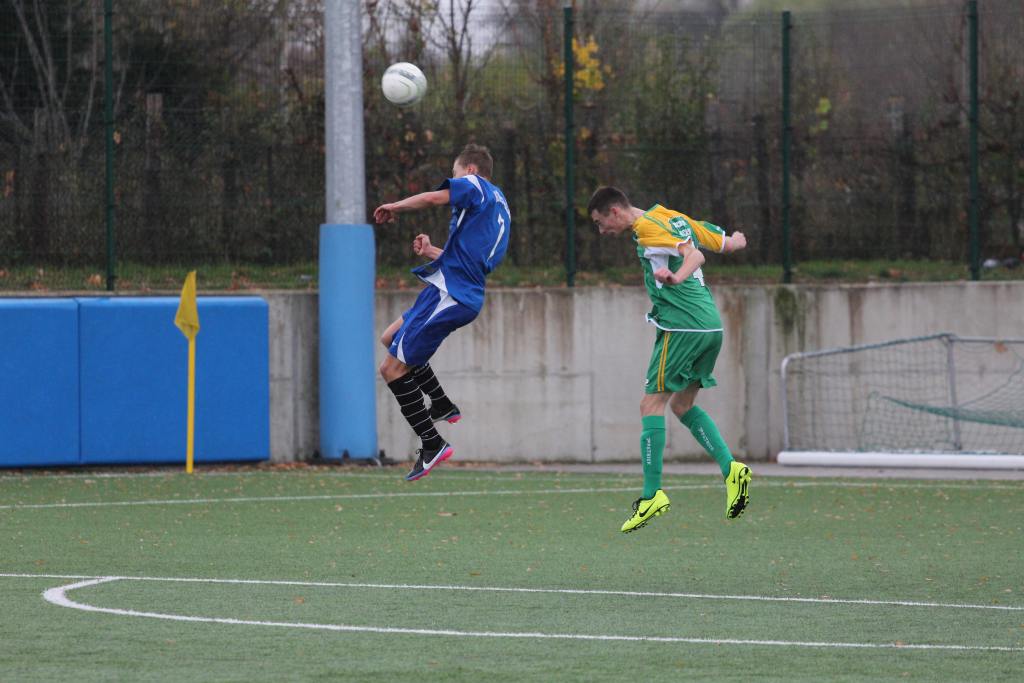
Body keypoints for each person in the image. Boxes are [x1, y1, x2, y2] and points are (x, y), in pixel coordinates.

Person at [587, 186, 751, 532]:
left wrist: (676, 276)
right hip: (710, 327)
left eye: (601, 223)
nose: (602, 232)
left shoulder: (648, 229)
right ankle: (732, 470)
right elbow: (723, 243)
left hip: (683, 327)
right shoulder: (670, 216)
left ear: (615, 211)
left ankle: (651, 496)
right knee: (682, 406)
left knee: (650, 405)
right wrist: (736, 240)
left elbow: (696, 256)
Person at [373, 144, 511, 481]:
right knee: (389, 337)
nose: (453, 184)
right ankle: (441, 403)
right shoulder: (499, 206)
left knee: (391, 368)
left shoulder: (475, 185)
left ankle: (431, 443)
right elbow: (469, 261)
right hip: (452, 290)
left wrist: (395, 206)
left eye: (455, 176)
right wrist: (432, 250)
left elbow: (434, 198)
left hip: (450, 295)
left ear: (470, 171)